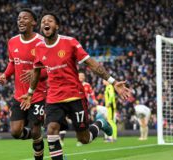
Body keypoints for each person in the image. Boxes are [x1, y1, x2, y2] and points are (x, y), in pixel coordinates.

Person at [20, 12, 131, 160]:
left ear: (57, 26)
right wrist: (29, 93)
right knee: (51, 131)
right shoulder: (39, 48)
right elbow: (37, 72)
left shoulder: (70, 42)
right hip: (54, 98)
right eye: (43, 21)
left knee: (83, 139)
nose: (46, 23)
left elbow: (91, 63)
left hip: (75, 95)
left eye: (50, 20)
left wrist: (113, 81)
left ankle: (100, 123)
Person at [0, 9, 46, 160]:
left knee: (35, 129)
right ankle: (37, 135)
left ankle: (39, 152)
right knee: (15, 132)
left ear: (33, 22)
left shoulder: (41, 42)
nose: (21, 21)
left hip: (37, 95)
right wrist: (5, 74)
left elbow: (51, 68)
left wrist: (37, 73)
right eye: (19, 19)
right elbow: (13, 62)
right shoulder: (12, 41)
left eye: (25, 18)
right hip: (19, 96)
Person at [59, 71, 99, 147]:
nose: (81, 77)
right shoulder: (74, 84)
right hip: (74, 105)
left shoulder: (87, 85)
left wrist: (94, 100)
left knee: (81, 123)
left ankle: (80, 140)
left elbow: (91, 93)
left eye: (82, 76)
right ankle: (61, 140)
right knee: (66, 121)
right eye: (80, 76)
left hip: (84, 106)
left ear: (84, 77)